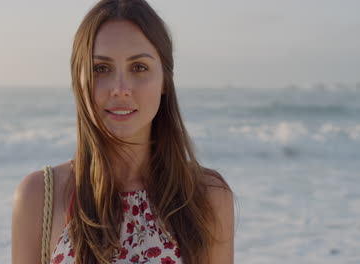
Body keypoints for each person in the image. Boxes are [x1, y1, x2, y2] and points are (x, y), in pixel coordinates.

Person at [12, 0, 234, 263]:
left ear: (164, 80)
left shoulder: (206, 196)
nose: (120, 88)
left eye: (139, 67)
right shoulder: (38, 196)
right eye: (101, 68)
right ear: (79, 80)